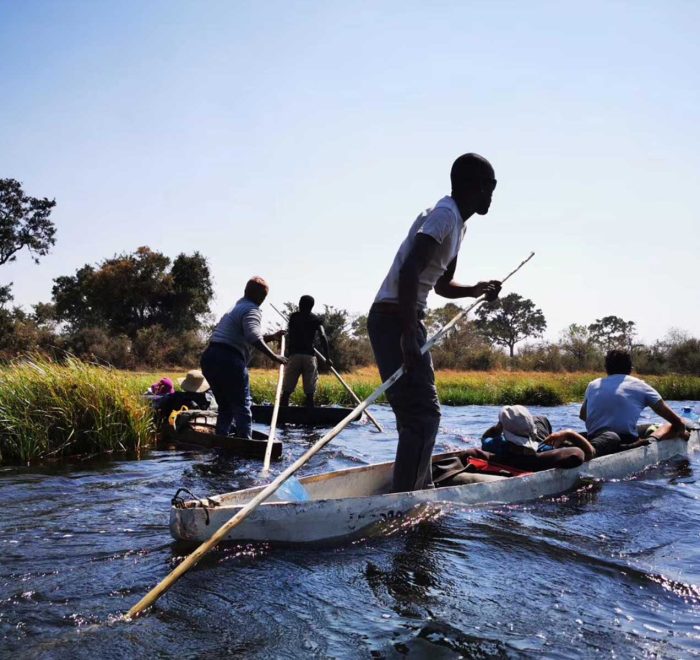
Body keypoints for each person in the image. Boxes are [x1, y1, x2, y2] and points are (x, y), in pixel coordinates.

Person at [367, 153, 502, 492]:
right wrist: (409, 335)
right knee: (423, 415)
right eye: (490, 186)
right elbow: (410, 270)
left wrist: (474, 290)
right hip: (395, 318)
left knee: (420, 415)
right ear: (472, 185)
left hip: (406, 317)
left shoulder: (459, 224)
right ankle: (408, 498)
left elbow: (441, 284)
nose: (492, 194)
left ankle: (414, 484)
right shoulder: (444, 215)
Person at [200, 276, 286, 438]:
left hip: (210, 357)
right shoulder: (252, 309)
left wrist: (272, 337)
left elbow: (246, 336)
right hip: (229, 360)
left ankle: (222, 440)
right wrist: (274, 356)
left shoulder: (236, 307)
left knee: (225, 406)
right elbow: (253, 336)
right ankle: (245, 444)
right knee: (242, 405)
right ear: (261, 297)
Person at [579, 349, 689, 456]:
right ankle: (651, 442)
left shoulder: (592, 385)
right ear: (630, 368)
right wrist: (682, 432)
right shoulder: (640, 385)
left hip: (595, 440)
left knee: (643, 428)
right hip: (627, 441)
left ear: (606, 368)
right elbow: (677, 422)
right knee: (671, 425)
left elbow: (583, 416)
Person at [280, 295, 331, 408]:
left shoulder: (294, 317)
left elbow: (289, 333)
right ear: (312, 306)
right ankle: (310, 416)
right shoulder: (316, 319)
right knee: (309, 393)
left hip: (294, 356)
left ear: (300, 304)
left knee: (286, 392)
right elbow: (323, 336)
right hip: (309, 357)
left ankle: (282, 415)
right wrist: (327, 358)